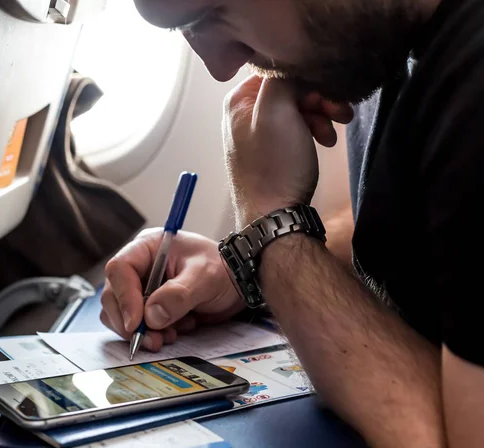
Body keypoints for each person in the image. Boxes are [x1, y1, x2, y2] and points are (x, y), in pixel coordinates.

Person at [100, 0, 484, 446]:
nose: (221, 68)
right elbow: (430, 237)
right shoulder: (392, 42)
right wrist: (239, 265)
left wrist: (270, 225)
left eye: (212, 14)